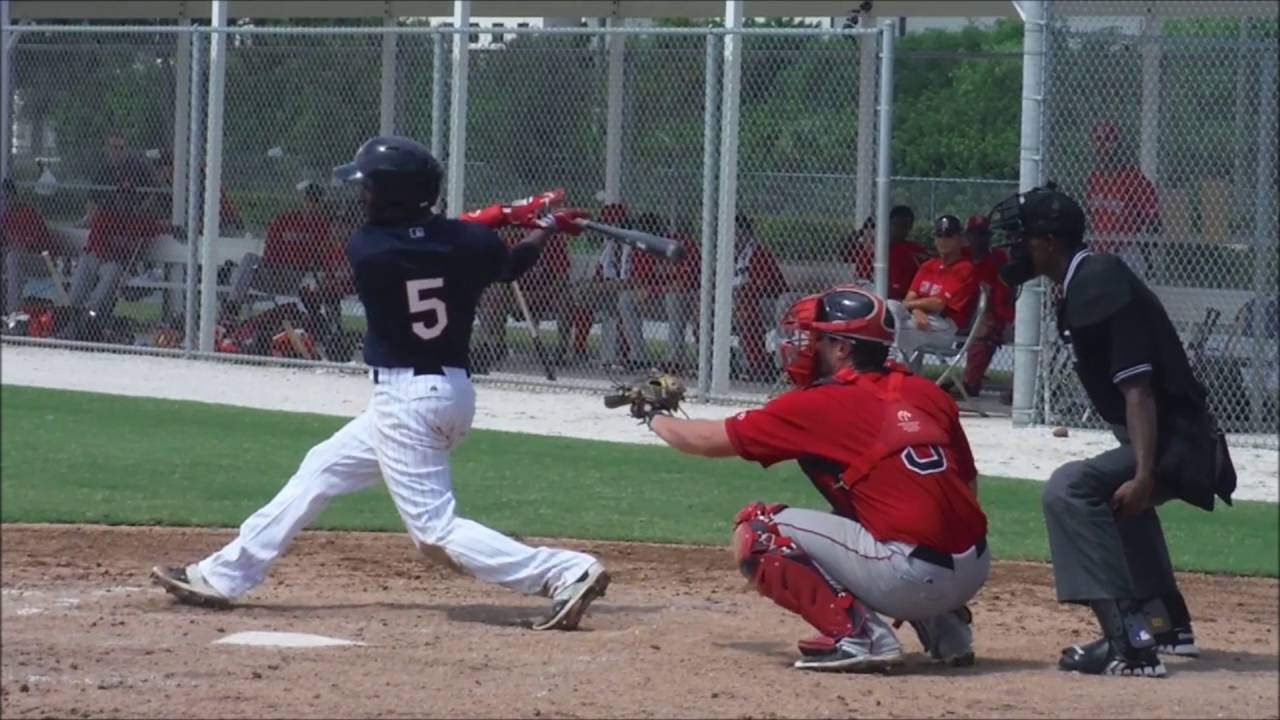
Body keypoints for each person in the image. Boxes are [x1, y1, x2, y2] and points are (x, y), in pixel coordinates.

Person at [151, 136, 610, 631]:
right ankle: (222, 575)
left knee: (434, 533)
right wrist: (541, 227)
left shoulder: (370, 249)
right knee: (321, 468)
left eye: (368, 185)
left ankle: (566, 570)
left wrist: (510, 213)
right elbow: (506, 259)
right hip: (449, 395)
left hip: (406, 402)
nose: (361, 193)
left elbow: (441, 232)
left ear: (390, 195)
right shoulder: (468, 247)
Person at [630, 286, 988, 672]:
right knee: (880, 508)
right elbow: (967, 485)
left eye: (817, 338)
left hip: (911, 578)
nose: (804, 345)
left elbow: (703, 441)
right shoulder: (926, 392)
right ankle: (948, 629)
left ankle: (862, 639)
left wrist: (652, 414)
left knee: (760, 530)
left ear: (842, 348)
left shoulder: (821, 402)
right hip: (974, 565)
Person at [990, 184, 1236, 677]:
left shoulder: (1098, 282)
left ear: (1051, 242)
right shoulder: (1085, 280)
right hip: (1173, 440)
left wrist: (1144, 474)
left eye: (1023, 237)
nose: (1014, 248)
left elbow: (1138, 391)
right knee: (1113, 496)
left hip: (1179, 445)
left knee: (1070, 490)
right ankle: (1166, 622)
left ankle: (1128, 640)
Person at [63, 131, 164, 337]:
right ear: (106, 148)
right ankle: (72, 326)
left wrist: (139, 211)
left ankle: (89, 324)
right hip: (94, 256)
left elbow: (155, 197)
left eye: (120, 147)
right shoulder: (103, 208)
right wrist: (87, 219)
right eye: (112, 147)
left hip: (113, 261)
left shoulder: (138, 171)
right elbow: (92, 203)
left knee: (109, 279)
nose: (116, 152)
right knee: (77, 294)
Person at [887, 215, 978, 367]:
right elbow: (908, 300)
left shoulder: (965, 268)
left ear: (960, 240)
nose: (943, 240)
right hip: (918, 319)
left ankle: (891, 366)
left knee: (890, 330)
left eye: (949, 235)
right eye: (939, 235)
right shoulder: (929, 265)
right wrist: (916, 310)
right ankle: (905, 375)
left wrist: (914, 306)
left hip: (943, 326)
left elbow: (939, 303)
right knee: (890, 305)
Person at [1085, 121, 1159, 279]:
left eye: (1108, 141)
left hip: (1126, 250)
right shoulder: (1093, 179)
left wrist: (1143, 234)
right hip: (1098, 249)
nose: (1103, 147)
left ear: (1118, 145)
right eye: (1098, 140)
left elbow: (1153, 217)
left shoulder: (1132, 177)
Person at [958, 215, 1015, 399]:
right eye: (973, 234)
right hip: (958, 310)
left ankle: (969, 383)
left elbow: (999, 301)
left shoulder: (997, 259)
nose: (977, 239)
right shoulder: (960, 255)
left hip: (988, 314)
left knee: (986, 327)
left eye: (982, 234)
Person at [731, 214, 787, 382]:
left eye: (738, 233)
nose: (734, 237)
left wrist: (740, 295)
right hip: (741, 300)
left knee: (746, 309)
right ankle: (715, 362)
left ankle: (756, 365)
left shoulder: (757, 252)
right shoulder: (729, 254)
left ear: (746, 233)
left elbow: (762, 285)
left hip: (770, 302)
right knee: (701, 310)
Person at [846, 205, 928, 301]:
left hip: (903, 297)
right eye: (897, 225)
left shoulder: (913, 249)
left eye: (906, 226)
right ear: (888, 224)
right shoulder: (874, 249)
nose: (901, 230)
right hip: (877, 295)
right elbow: (861, 278)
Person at [1, 178, 55, 318]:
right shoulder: (6, 217)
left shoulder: (28, 213)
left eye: (6, 197)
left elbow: (27, 246)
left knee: (14, 257)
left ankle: (12, 315)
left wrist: (9, 248)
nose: (4, 201)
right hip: (21, 260)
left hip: (44, 261)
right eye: (2, 198)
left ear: (14, 196)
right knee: (12, 257)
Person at [658, 225, 701, 374]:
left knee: (674, 298)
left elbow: (684, 284)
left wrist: (657, 289)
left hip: (695, 293)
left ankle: (675, 360)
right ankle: (674, 359)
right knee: (672, 297)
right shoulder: (660, 245)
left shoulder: (687, 246)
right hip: (669, 294)